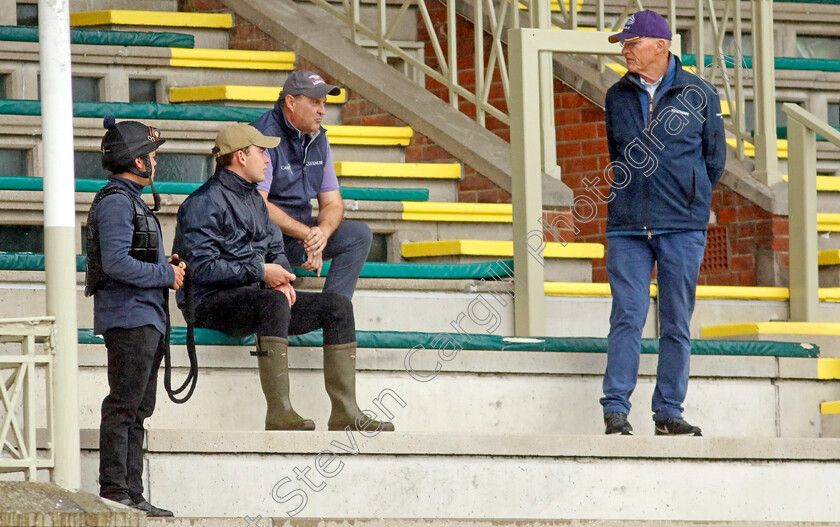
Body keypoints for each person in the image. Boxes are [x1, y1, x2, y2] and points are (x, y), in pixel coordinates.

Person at [172, 124, 393, 432]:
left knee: (338, 307)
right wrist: (262, 271)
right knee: (272, 301)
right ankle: (279, 410)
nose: (268, 159)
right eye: (261, 152)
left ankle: (345, 411)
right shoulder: (202, 202)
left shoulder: (255, 200)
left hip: (256, 298)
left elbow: (274, 249)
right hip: (209, 304)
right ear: (240, 157)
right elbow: (201, 269)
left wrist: (282, 277)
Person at [599, 10, 726, 436]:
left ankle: (668, 412)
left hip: (682, 226)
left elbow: (714, 160)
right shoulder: (616, 95)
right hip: (627, 226)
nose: (625, 51)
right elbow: (618, 153)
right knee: (627, 316)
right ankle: (615, 409)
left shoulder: (702, 94)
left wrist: (689, 199)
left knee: (675, 322)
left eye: (632, 44)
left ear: (660, 45)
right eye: (624, 44)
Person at [86, 116, 184, 517]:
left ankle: (133, 492)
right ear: (137, 160)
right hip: (129, 321)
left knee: (138, 410)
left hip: (145, 319)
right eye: (151, 155)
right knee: (124, 407)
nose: (155, 162)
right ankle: (115, 491)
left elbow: (131, 258)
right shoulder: (115, 203)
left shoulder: (128, 201)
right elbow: (117, 264)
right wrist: (166, 273)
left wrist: (165, 265)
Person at [250, 70, 372, 298]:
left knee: (359, 234)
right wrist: (307, 234)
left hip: (301, 236)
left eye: (324, 103)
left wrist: (321, 235)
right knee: (269, 239)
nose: (322, 111)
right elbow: (258, 205)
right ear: (290, 102)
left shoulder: (319, 139)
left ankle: (333, 310)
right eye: (315, 102)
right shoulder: (262, 136)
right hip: (263, 240)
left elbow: (333, 203)